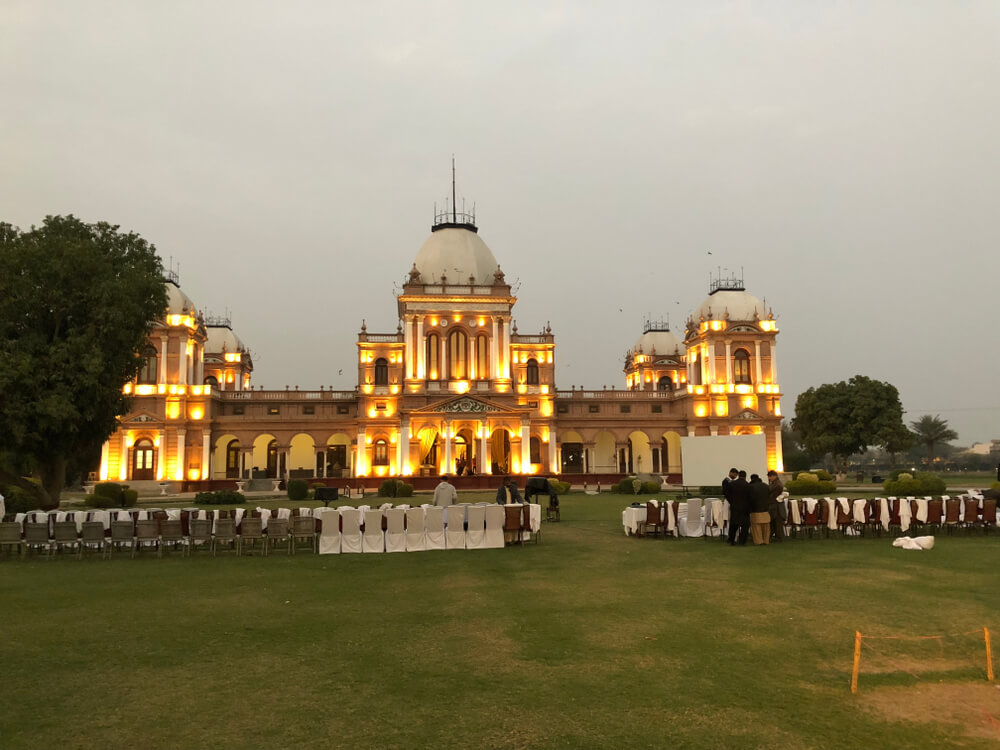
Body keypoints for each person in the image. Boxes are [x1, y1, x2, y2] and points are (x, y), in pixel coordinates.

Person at [727, 470, 751, 545]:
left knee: (733, 525)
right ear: (745, 476)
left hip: (735, 507)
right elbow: (750, 497)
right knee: (745, 526)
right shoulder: (748, 485)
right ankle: (742, 541)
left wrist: (732, 502)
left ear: (738, 475)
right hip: (745, 508)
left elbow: (728, 495)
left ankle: (731, 540)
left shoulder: (732, 484)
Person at [748, 474, 771, 545]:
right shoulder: (766, 486)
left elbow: (750, 499)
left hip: (755, 510)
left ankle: (758, 541)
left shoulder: (751, 487)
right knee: (766, 528)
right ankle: (766, 541)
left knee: (756, 528)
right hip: (766, 510)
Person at [767, 470, 786, 542]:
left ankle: (779, 537)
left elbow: (771, 494)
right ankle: (776, 537)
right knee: (774, 522)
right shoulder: (775, 483)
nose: (769, 478)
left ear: (773, 476)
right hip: (775, 505)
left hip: (776, 506)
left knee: (777, 522)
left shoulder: (777, 484)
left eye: (770, 477)